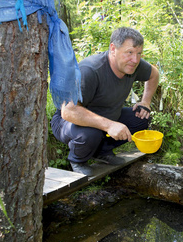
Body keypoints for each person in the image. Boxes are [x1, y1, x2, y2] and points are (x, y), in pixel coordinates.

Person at [51, 27, 159, 176]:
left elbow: (154, 74)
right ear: (113, 48)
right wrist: (109, 125)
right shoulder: (90, 70)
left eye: (139, 53)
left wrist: (145, 102)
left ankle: (102, 152)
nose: (135, 60)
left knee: (141, 119)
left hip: (107, 117)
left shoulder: (133, 65)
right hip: (68, 123)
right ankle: (77, 160)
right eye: (129, 53)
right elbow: (68, 111)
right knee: (91, 133)